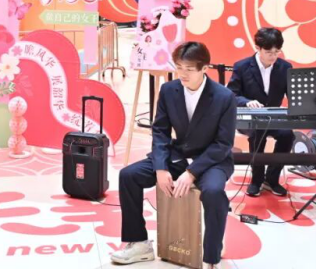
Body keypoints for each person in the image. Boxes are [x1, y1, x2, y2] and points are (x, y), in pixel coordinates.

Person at [112, 42, 236, 269]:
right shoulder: (169, 90)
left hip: (212, 161)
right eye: (179, 67)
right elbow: (160, 131)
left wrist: (191, 173)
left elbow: (223, 144)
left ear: (204, 68)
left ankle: (211, 257)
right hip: (178, 155)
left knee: (213, 192)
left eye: (189, 69)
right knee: (129, 175)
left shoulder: (224, 97)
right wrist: (160, 167)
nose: (182, 74)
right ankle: (139, 243)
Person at [227, 27, 293, 197]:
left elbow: (292, 95)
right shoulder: (242, 66)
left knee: (288, 135)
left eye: (277, 52)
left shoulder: (285, 67)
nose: (273, 56)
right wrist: (247, 102)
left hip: (274, 117)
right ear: (257, 48)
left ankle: (271, 178)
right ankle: (256, 180)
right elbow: (232, 95)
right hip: (249, 118)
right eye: (269, 52)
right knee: (258, 132)